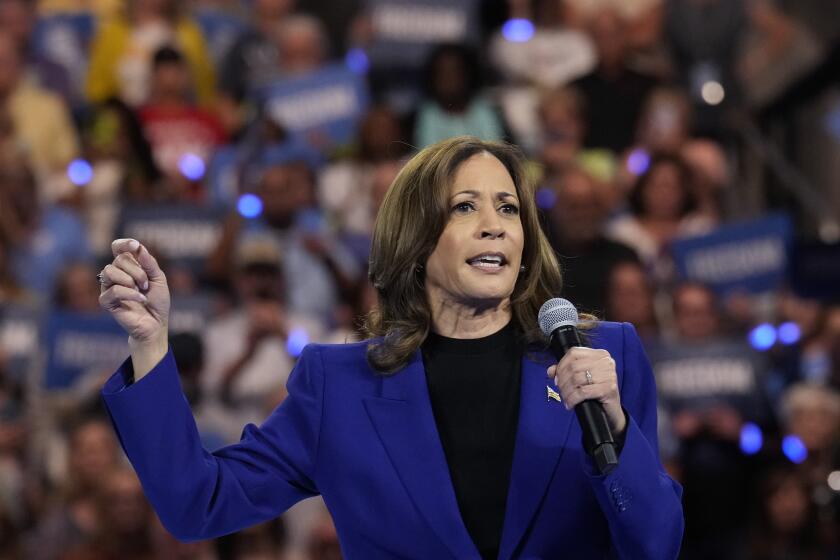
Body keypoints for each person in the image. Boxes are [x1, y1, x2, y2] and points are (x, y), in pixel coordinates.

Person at [97, 136, 683, 558]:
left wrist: (617, 427)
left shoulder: (602, 358)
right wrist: (150, 344)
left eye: (508, 207)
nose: (494, 224)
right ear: (416, 240)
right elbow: (198, 503)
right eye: (464, 207)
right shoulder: (339, 387)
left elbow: (656, 544)